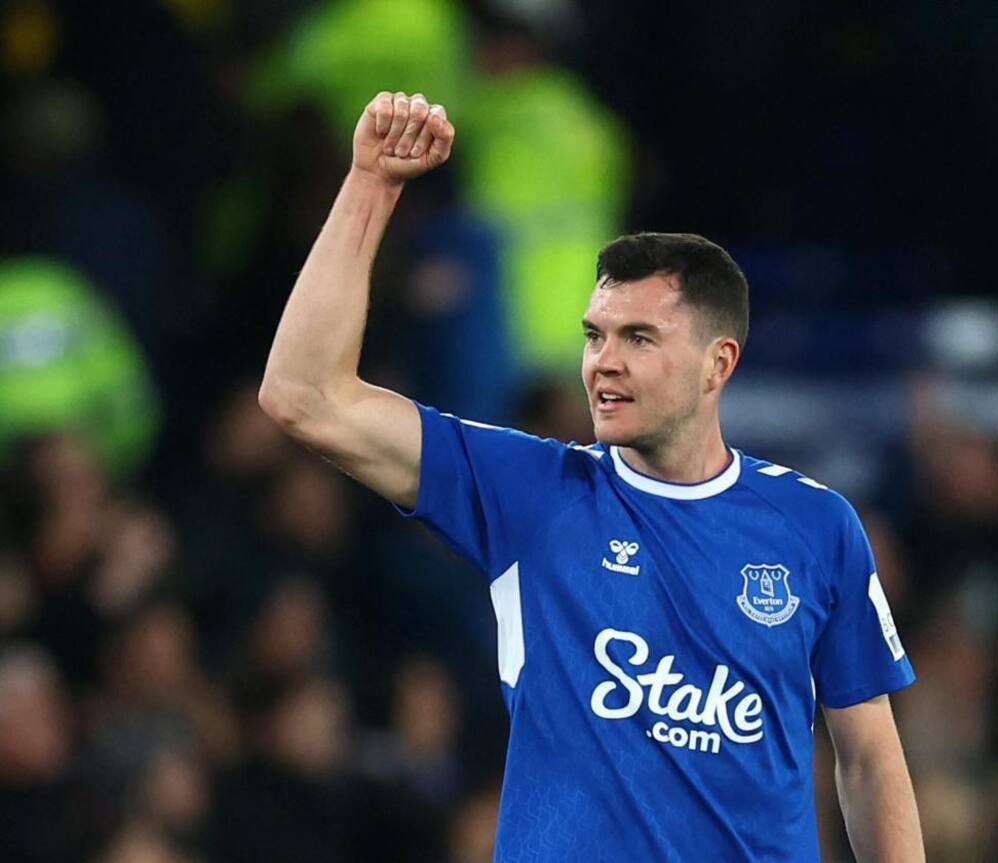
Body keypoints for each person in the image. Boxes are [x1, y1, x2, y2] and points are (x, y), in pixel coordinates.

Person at [259, 90, 925, 862]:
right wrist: (371, 185)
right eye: (594, 335)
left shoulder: (816, 526)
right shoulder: (531, 491)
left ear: (720, 363)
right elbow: (303, 395)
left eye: (638, 337)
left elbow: (870, 752)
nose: (604, 362)